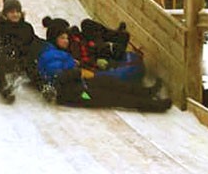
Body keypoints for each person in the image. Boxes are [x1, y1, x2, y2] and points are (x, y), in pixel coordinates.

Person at [37, 17, 171, 111]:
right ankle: (155, 106)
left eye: (66, 37)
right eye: (62, 38)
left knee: (112, 83)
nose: (67, 41)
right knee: (114, 97)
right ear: (54, 38)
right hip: (76, 93)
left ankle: (147, 92)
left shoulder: (61, 52)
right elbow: (56, 77)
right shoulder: (50, 54)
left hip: (82, 82)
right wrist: (77, 71)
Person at [0, 0, 45, 102]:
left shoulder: (26, 27)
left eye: (17, 12)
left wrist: (41, 48)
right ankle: (5, 89)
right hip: (7, 59)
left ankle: (44, 88)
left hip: (23, 59)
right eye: (11, 12)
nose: (15, 14)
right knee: (0, 70)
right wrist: (6, 55)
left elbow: (33, 41)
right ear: (5, 14)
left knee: (34, 68)